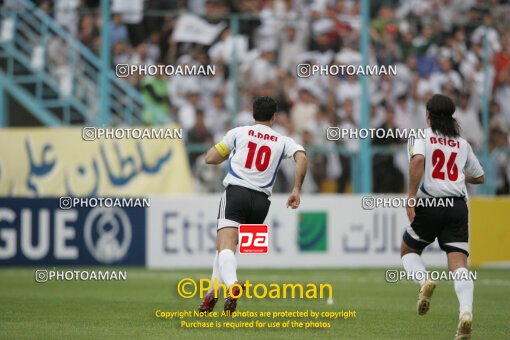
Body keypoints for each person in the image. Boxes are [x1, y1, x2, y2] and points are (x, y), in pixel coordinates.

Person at [198, 96, 308, 313]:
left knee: (225, 245)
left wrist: (228, 152)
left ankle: (232, 286)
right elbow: (302, 158)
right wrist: (296, 189)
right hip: (261, 203)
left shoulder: (239, 133)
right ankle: (213, 292)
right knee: (225, 248)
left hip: (236, 193)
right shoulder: (283, 140)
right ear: (274, 117)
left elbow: (210, 158)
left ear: (252, 114)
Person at [402, 94, 484, 339]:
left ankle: (424, 281)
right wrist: (457, 175)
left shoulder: (420, 136)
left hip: (431, 204)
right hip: (457, 206)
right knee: (459, 265)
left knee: (409, 251)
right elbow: (480, 177)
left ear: (427, 115)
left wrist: (410, 196)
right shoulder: (462, 143)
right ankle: (466, 313)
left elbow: (418, 161)